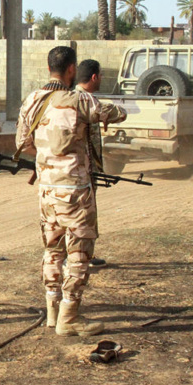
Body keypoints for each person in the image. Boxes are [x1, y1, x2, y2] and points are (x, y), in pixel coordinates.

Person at [16, 46, 126, 337]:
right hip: (75, 191)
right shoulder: (80, 100)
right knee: (78, 252)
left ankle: (52, 311)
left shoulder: (32, 100)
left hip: (47, 190)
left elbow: (23, 143)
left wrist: (47, 160)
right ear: (71, 70)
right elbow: (117, 114)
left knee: (52, 250)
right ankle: (70, 316)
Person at [75, 59, 123, 268]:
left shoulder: (71, 98)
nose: (101, 78)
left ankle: (79, 254)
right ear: (94, 77)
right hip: (82, 168)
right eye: (101, 75)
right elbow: (117, 113)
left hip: (79, 167)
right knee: (83, 214)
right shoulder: (85, 100)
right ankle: (81, 256)